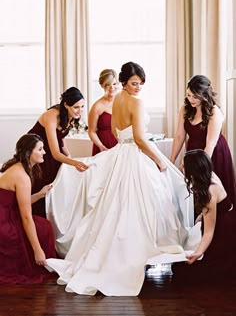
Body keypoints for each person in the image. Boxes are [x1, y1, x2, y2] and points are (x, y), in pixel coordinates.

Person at [45, 62, 200, 296]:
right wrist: (158, 159)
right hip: (134, 154)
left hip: (121, 152)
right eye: (134, 83)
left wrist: (131, 140)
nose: (138, 88)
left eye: (141, 84)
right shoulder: (136, 102)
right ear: (124, 82)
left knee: (117, 206)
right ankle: (138, 253)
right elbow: (139, 138)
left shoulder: (117, 99)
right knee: (143, 202)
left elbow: (118, 132)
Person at [172, 149, 236, 283]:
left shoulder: (209, 191)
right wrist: (202, 214)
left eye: (184, 166)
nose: (180, 167)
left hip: (223, 232)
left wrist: (199, 253)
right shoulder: (210, 175)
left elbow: (209, 232)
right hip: (227, 221)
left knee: (181, 271)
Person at [170, 75, 236, 203]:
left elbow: (210, 144)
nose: (191, 100)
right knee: (194, 194)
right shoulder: (185, 109)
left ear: (204, 95)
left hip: (212, 154)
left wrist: (198, 166)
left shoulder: (214, 112)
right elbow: (179, 136)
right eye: (188, 95)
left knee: (210, 194)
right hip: (194, 151)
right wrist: (171, 162)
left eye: (195, 97)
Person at [0, 134, 56, 284]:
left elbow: (18, 202)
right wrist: (38, 250)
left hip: (7, 213)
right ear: (28, 153)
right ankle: (40, 261)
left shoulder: (19, 167)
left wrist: (39, 194)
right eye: (40, 149)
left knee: (44, 226)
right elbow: (26, 217)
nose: (44, 152)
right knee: (43, 228)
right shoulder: (21, 176)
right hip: (3, 221)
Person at [28, 87, 89, 218]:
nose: (80, 111)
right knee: (41, 185)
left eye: (82, 106)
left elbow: (60, 141)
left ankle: (52, 220)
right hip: (35, 153)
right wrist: (74, 162)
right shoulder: (51, 115)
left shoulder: (70, 116)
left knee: (56, 184)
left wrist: (69, 157)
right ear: (66, 104)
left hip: (50, 151)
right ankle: (35, 219)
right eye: (76, 107)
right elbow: (56, 153)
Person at [88, 69, 119, 155]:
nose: (112, 87)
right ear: (102, 85)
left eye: (114, 84)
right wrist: (101, 146)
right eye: (108, 84)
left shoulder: (122, 102)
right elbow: (91, 131)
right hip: (103, 147)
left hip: (120, 146)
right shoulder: (97, 106)